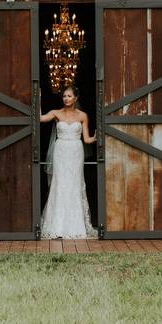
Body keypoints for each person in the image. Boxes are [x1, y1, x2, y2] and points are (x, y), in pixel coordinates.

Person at [39, 85, 98, 239]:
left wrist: (96, 138)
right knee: (60, 184)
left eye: (69, 96)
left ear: (75, 98)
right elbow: (40, 118)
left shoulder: (83, 116)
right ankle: (57, 226)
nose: (66, 98)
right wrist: (36, 99)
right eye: (64, 96)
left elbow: (86, 139)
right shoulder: (56, 113)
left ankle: (75, 226)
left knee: (74, 184)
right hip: (61, 151)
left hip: (76, 151)